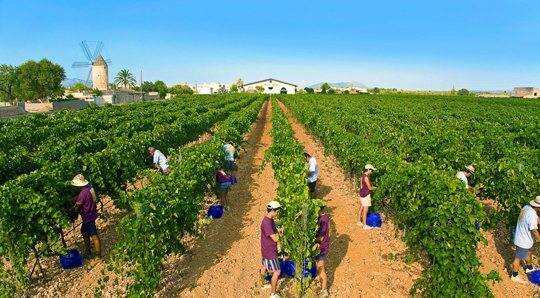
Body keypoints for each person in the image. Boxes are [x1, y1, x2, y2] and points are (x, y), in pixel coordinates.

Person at [511, 196, 540, 283]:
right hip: (523, 241)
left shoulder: (526, 207)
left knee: (528, 253)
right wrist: (539, 239)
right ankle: (514, 275)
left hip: (521, 237)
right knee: (518, 258)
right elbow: (534, 231)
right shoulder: (532, 216)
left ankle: (529, 268)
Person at [72, 174, 101, 258]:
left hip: (88, 216)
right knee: (84, 231)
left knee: (94, 235)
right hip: (92, 213)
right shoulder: (89, 188)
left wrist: (71, 211)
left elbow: (77, 206)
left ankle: (98, 255)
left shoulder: (83, 193)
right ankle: (88, 250)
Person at [260, 201, 282, 298]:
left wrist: (279, 231)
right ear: (272, 210)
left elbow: (275, 232)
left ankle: (263, 282)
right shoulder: (267, 223)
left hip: (266, 248)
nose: (278, 213)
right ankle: (273, 294)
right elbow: (275, 238)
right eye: (277, 211)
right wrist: (282, 234)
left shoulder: (270, 220)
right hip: (270, 250)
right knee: (277, 272)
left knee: (265, 265)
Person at [315, 203, 330, 297]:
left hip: (322, 248)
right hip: (319, 247)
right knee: (317, 266)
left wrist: (310, 239)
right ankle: (319, 282)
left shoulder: (323, 220)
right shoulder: (322, 217)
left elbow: (320, 238)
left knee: (321, 268)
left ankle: (324, 290)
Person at [357, 164, 376, 229]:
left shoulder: (362, 176)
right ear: (368, 170)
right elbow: (370, 188)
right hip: (366, 195)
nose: (372, 172)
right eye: (371, 170)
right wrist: (375, 188)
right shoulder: (366, 178)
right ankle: (365, 225)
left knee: (361, 207)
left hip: (362, 194)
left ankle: (359, 221)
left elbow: (361, 186)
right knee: (365, 210)